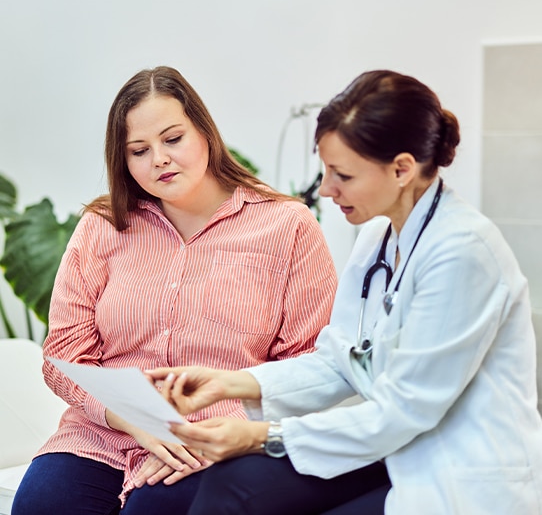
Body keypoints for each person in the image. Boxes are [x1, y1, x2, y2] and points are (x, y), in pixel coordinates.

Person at [148, 69, 542, 514]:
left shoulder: (464, 253)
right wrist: (227, 383)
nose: (326, 189)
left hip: (456, 469)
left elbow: (404, 410)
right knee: (235, 484)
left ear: (402, 169)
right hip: (394, 446)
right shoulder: (378, 238)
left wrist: (260, 436)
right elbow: (341, 361)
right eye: (325, 170)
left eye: (342, 175)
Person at [12, 66, 337, 515]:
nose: (159, 159)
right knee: (41, 505)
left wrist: (229, 430)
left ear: (204, 133)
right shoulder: (102, 226)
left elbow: (309, 361)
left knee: (155, 509)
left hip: (213, 437)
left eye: (173, 139)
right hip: (104, 432)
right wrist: (132, 420)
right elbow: (64, 353)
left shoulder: (288, 226)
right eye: (139, 150)